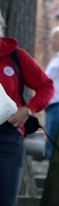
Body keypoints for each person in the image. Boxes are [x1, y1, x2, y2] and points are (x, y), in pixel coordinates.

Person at [0, 3, 54, 206]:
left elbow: (46, 86)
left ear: (1, 26)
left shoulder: (16, 56)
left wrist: (27, 110)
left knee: (5, 202)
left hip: (9, 136)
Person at [44, 26, 59, 158]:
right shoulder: (55, 58)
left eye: (53, 38)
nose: (50, 41)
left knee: (53, 139)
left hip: (57, 105)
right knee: (50, 138)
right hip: (52, 105)